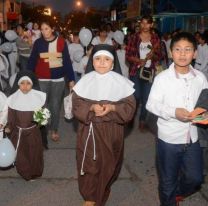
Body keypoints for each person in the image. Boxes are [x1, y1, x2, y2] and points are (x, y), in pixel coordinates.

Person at [146, 32, 208, 206]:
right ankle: (169, 199)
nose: (182, 54)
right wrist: (174, 112)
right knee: (167, 182)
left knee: (195, 178)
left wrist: (204, 116)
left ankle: (176, 194)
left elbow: (205, 103)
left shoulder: (201, 78)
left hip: (193, 138)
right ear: (171, 52)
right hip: (169, 139)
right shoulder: (162, 78)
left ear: (195, 53)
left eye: (188, 49)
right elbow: (151, 105)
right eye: (178, 49)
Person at [72, 44, 136, 206]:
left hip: (112, 132)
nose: (102, 62)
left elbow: (129, 109)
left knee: (108, 166)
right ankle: (90, 198)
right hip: (89, 131)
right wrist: (91, 107)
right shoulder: (84, 81)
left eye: (107, 59)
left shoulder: (122, 83)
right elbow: (76, 106)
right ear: (92, 62)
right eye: (98, 59)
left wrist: (113, 107)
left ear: (113, 64)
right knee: (88, 164)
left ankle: (100, 192)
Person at [27, 21, 75, 142]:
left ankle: (54, 129)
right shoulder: (38, 43)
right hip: (42, 79)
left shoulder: (61, 42)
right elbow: (32, 60)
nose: (44, 32)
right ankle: (41, 130)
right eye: (42, 29)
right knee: (41, 105)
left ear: (52, 29)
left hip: (58, 80)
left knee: (55, 106)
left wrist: (71, 79)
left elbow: (67, 62)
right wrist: (27, 76)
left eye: (46, 29)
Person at [6, 70, 46, 181]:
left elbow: (41, 118)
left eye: (28, 83)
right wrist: (9, 127)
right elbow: (11, 116)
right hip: (18, 133)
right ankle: (25, 172)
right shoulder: (13, 99)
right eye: (22, 83)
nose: (25, 86)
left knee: (34, 153)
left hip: (33, 132)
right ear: (18, 84)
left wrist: (42, 119)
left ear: (32, 84)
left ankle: (34, 172)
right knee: (20, 154)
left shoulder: (37, 98)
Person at [126, 15, 161, 132]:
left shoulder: (155, 39)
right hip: (135, 71)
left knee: (146, 98)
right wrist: (138, 60)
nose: (145, 26)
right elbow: (128, 56)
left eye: (147, 23)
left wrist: (153, 55)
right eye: (143, 23)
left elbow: (160, 56)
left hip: (149, 71)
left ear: (151, 25)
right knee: (135, 97)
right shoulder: (134, 37)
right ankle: (130, 119)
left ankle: (142, 121)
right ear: (140, 24)